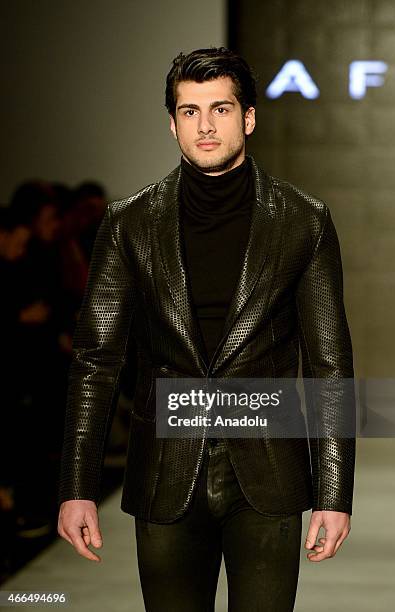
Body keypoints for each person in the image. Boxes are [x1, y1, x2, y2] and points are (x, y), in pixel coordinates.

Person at [57, 47, 356, 612]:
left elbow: (329, 363)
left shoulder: (303, 221)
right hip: (167, 472)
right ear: (172, 125)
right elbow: (96, 360)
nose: (205, 125)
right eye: (189, 111)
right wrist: (77, 486)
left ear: (248, 117)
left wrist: (334, 493)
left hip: (266, 471)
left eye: (219, 108)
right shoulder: (129, 224)